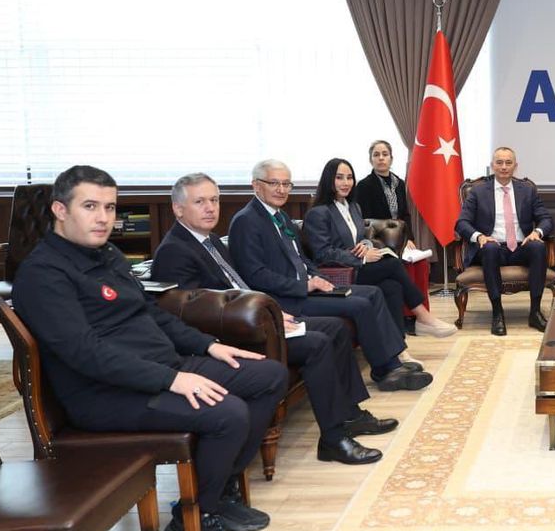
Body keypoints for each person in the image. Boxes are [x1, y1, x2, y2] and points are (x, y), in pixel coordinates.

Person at [12, 165, 289, 531]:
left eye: (110, 207)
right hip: (107, 394)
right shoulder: (42, 275)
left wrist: (208, 346)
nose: (103, 218)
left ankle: (217, 490)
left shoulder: (108, 255)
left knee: (269, 375)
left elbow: (151, 313)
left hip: (160, 369)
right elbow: (86, 354)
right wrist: (171, 380)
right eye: (90, 206)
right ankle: (195, 517)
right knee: (228, 414)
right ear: (60, 210)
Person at [152, 172, 398, 467]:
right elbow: (191, 316)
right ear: (178, 208)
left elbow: (239, 289)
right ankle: (333, 439)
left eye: (214, 200)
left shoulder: (211, 241)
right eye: (200, 202)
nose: (210, 208)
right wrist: (265, 317)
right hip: (235, 338)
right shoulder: (174, 252)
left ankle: (351, 415)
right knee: (318, 343)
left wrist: (273, 312)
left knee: (335, 328)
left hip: (257, 319)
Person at [227, 159, 432, 392]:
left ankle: (392, 362)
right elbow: (255, 275)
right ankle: (386, 371)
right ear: (256, 185)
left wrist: (318, 278)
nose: (282, 190)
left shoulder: (281, 216)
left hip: (309, 288)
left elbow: (303, 259)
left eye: (286, 184)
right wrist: (304, 286)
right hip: (287, 299)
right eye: (274, 183)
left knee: (374, 293)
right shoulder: (246, 221)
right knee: (361, 304)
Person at [304, 157, 456, 337]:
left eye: (349, 177)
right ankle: (423, 316)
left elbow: (360, 239)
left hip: (357, 267)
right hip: (339, 272)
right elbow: (322, 254)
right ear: (329, 179)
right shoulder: (319, 212)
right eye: (339, 178)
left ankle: (398, 345)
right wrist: (362, 257)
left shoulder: (353, 207)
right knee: (393, 265)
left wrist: (366, 246)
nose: (346, 183)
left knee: (393, 286)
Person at [455, 146, 553, 336]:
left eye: (508, 163)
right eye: (499, 162)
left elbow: (546, 219)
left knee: (538, 247)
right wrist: (480, 237)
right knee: (490, 248)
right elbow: (462, 223)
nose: (504, 167)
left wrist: (537, 232)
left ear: (515, 166)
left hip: (521, 247)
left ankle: (535, 312)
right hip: (493, 249)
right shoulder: (478, 192)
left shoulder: (527, 191)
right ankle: (497, 313)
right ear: (492, 165)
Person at [353, 139, 410, 222]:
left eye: (385, 154)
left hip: (400, 229)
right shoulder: (363, 186)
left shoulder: (399, 183)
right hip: (375, 230)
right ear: (370, 160)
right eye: (376, 155)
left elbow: (405, 214)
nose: (381, 158)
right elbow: (363, 219)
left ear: (391, 159)